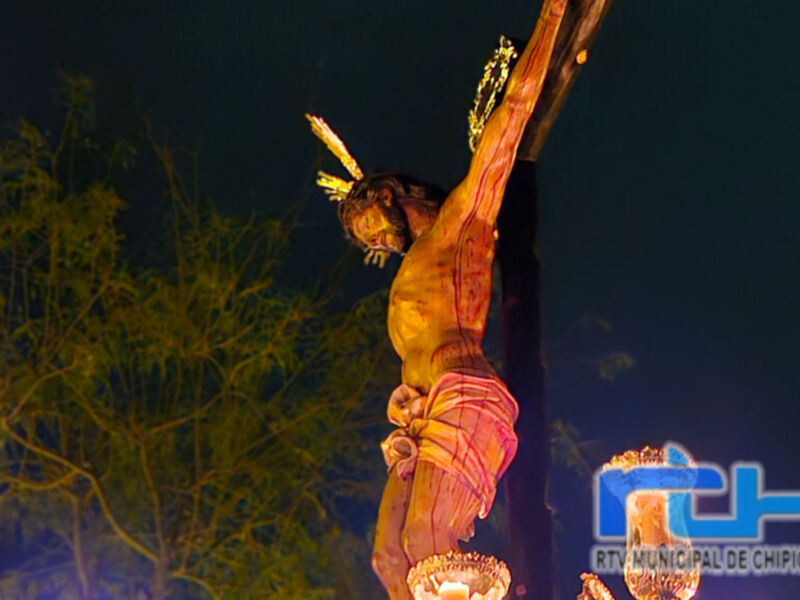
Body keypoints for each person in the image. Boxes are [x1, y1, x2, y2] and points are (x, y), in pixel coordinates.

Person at [309, 1, 565, 597]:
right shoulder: (409, 269)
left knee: (428, 540)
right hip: (418, 414)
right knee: (390, 561)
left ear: (390, 193)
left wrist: (553, 17)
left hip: (462, 391)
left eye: (365, 217)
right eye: (358, 234)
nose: (366, 235)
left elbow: (512, 114)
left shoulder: (459, 224)